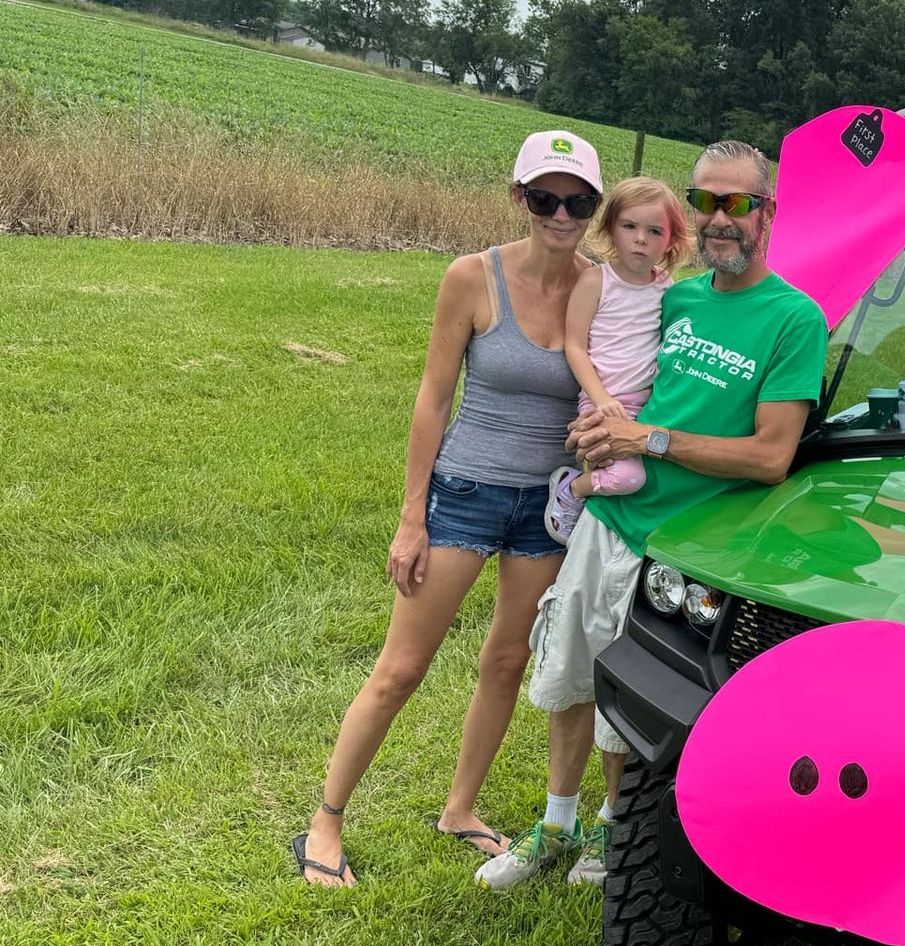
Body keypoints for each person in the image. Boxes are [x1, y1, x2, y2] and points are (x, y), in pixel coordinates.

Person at [475, 140, 829, 890]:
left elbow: (771, 455)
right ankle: (555, 823)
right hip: (610, 515)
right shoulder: (679, 296)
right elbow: (610, 346)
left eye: (739, 203)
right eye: (705, 201)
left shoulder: (794, 319)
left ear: (769, 212)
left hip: (682, 545)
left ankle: (613, 829)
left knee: (625, 696)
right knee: (567, 668)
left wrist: (650, 439)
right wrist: (600, 429)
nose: (721, 219)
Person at [292, 130, 605, 886]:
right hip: (464, 492)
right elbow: (433, 399)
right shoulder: (473, 277)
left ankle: (460, 807)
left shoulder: (600, 286)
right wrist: (412, 515)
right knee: (402, 667)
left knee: (506, 658)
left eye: (579, 201)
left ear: (595, 208)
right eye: (544, 198)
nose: (561, 215)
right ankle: (323, 823)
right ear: (518, 197)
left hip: (547, 509)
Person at [543, 175, 696, 543]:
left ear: (671, 240)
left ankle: (595, 515)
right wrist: (601, 399)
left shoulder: (666, 288)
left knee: (642, 474)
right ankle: (572, 490)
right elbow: (575, 346)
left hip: (649, 407)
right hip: (603, 402)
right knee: (629, 478)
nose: (641, 239)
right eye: (629, 227)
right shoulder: (597, 281)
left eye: (655, 231)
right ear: (612, 228)